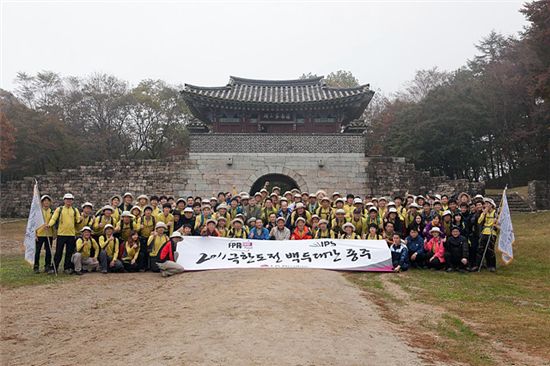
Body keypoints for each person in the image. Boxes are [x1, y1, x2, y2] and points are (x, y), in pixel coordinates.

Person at [48, 193, 81, 274]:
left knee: (69, 253)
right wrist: (49, 225)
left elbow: (78, 220)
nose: (68, 201)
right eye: (67, 199)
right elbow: (54, 218)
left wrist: (81, 219)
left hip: (71, 234)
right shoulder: (59, 209)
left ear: (72, 201)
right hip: (61, 234)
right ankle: (54, 267)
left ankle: (67, 268)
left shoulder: (75, 210)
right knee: (58, 252)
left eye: (70, 199)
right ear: (64, 200)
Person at [473, 198, 498, 272]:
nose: (486, 205)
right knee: (480, 249)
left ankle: (492, 265)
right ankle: (477, 265)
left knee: (490, 249)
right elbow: (479, 221)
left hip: (492, 232)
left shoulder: (495, 212)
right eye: (485, 204)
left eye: (488, 204)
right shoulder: (484, 212)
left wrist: (496, 222)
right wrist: (484, 213)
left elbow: (499, 222)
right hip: (484, 232)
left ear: (491, 205)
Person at [35, 195, 54, 274]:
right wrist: (35, 234)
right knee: (37, 251)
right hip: (39, 234)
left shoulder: (52, 212)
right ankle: (36, 266)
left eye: (48, 201)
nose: (46, 202)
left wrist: (54, 234)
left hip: (48, 234)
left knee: (48, 251)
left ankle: (47, 266)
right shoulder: (38, 212)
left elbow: (54, 223)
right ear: (42, 202)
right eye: (44, 201)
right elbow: (34, 223)